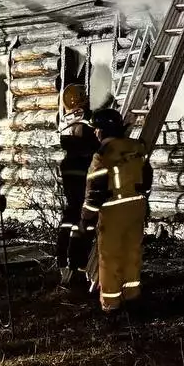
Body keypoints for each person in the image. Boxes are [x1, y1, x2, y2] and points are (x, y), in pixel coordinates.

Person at [80, 107, 150, 313]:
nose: (94, 133)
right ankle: (132, 296)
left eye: (96, 129)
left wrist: (86, 218)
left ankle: (111, 305)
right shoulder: (136, 148)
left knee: (109, 257)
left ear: (103, 130)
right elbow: (147, 178)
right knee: (132, 251)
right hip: (137, 206)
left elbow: (95, 190)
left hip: (113, 210)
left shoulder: (102, 155)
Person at [56, 84, 98, 291]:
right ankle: (76, 263)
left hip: (70, 169)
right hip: (82, 169)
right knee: (83, 218)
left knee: (71, 214)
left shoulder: (66, 120)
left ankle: (64, 262)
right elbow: (94, 142)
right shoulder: (83, 123)